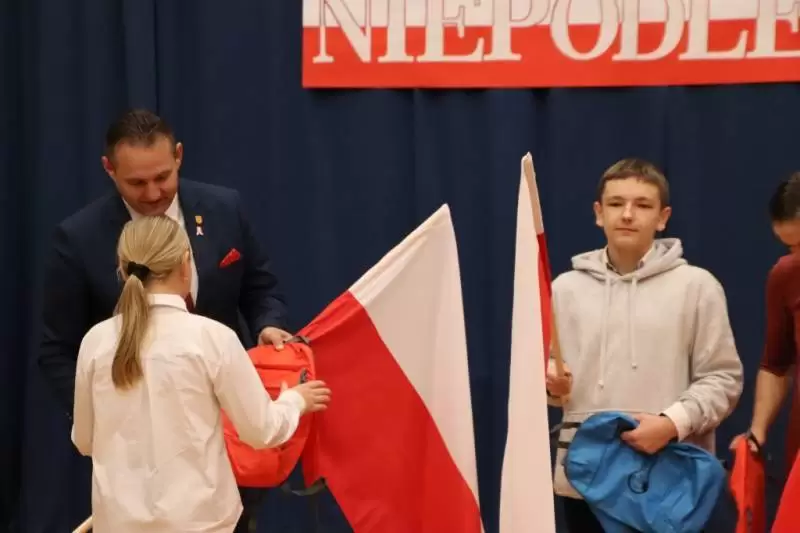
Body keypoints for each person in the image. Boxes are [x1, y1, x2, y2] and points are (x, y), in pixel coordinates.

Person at [38, 108, 292, 531]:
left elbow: (261, 288)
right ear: (108, 169)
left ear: (179, 156)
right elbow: (57, 350)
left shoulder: (224, 208)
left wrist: (269, 323)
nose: (154, 193)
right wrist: (108, 419)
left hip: (234, 435)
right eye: (137, 183)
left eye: (162, 177)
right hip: (138, 463)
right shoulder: (78, 238)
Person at [71, 215, 331, 533]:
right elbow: (262, 431)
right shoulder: (213, 338)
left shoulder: (95, 341)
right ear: (185, 265)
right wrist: (294, 400)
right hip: (203, 523)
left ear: (123, 270)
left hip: (117, 522)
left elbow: (84, 441)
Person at [545, 158, 743, 533]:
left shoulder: (697, 287)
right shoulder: (563, 289)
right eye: (616, 203)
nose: (627, 214)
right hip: (584, 481)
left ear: (663, 217)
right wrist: (551, 385)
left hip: (668, 482)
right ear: (598, 213)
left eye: (643, 205)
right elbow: (550, 377)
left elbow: (723, 379)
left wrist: (670, 424)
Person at [730, 172, 800, 474]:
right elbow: (776, 364)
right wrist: (757, 432)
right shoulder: (786, 275)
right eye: (791, 248)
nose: (796, 257)